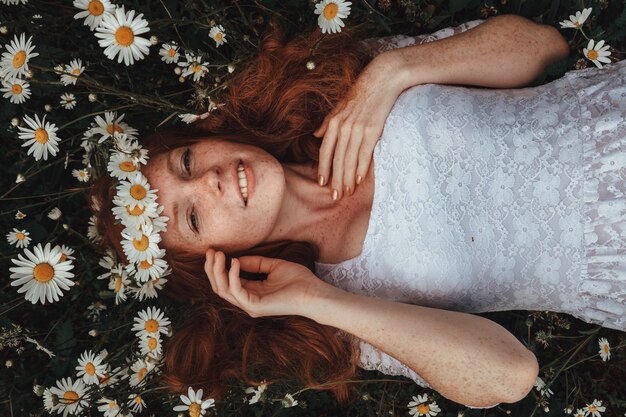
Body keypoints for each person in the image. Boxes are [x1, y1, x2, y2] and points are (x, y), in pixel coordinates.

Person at [88, 13, 625, 409]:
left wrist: (392, 70)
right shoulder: (333, 307)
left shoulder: (329, 91)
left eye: (186, 162)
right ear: (217, 261)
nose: (209, 180)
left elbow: (544, 48)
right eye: (194, 218)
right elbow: (510, 375)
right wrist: (319, 300)